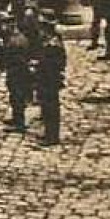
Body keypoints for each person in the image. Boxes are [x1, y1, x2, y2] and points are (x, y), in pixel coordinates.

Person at [36, 17, 66, 146]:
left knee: (51, 108)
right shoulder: (49, 41)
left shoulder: (53, 44)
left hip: (50, 80)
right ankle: (49, 134)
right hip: (46, 79)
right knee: (47, 107)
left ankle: (52, 137)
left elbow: (56, 64)